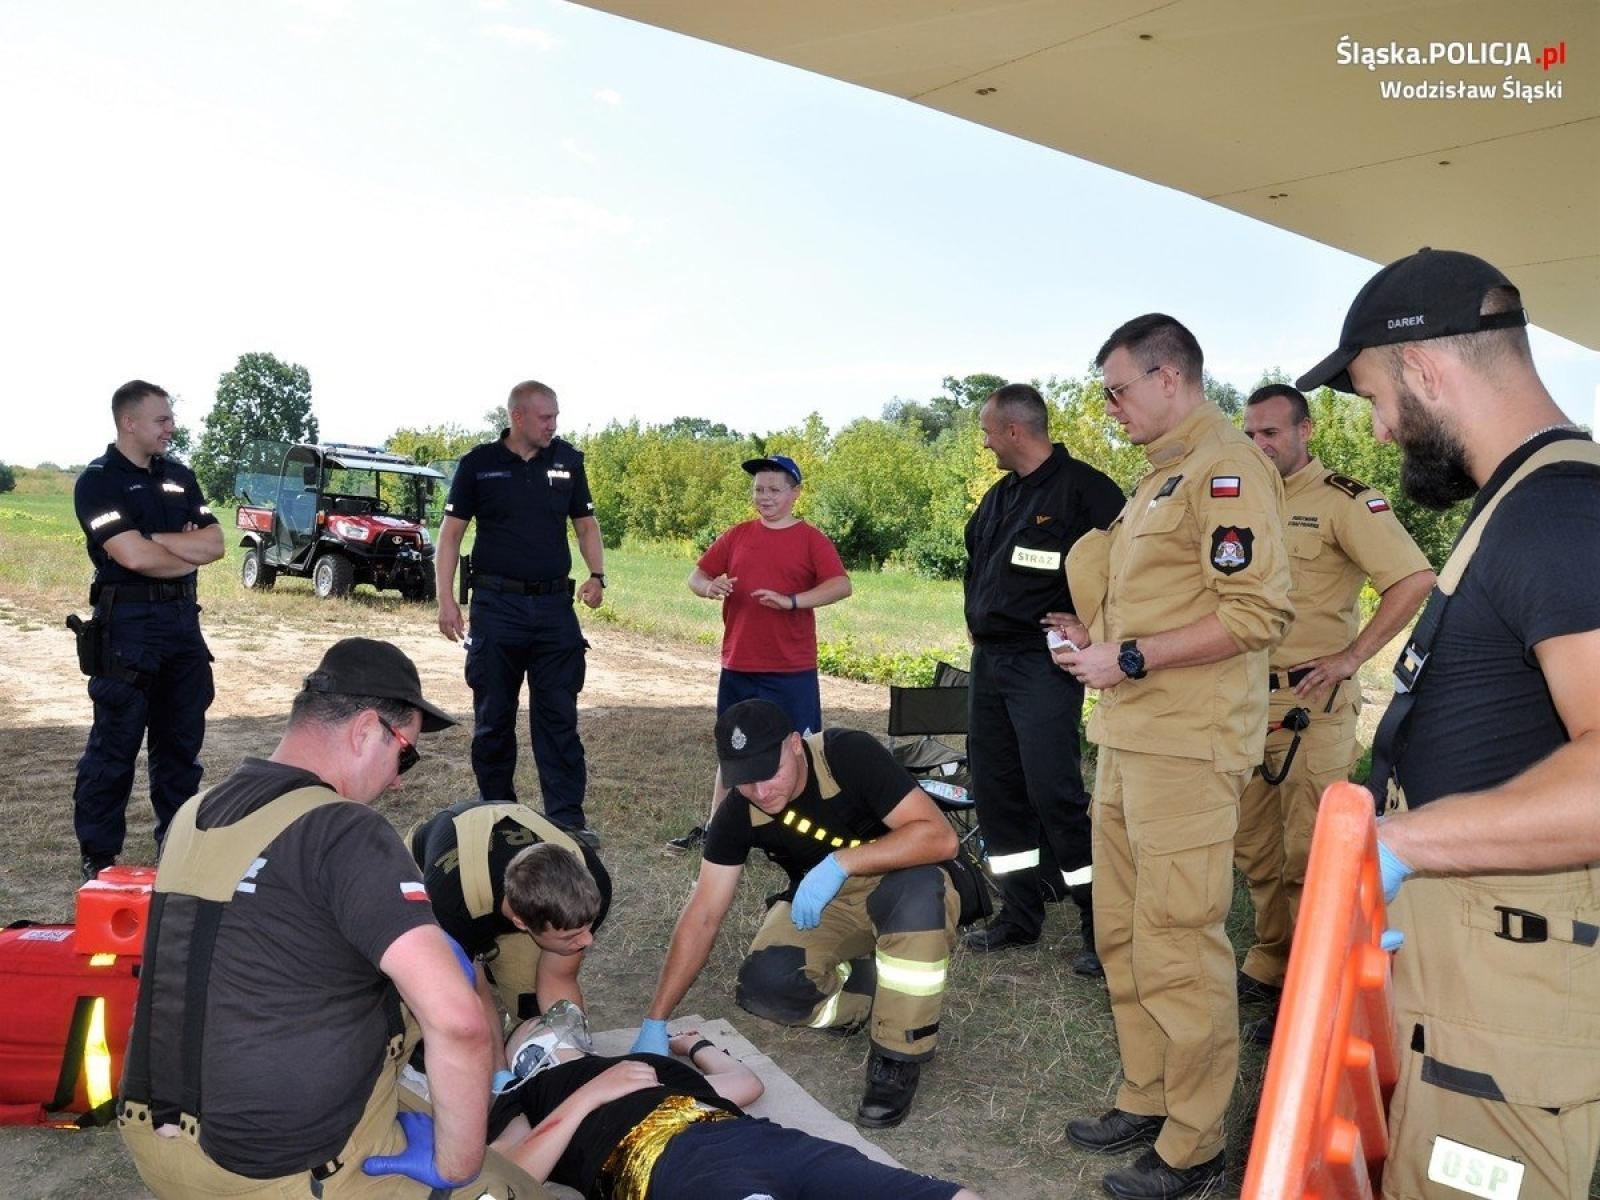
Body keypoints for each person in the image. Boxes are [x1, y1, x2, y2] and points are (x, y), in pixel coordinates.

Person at [1296, 248, 1600, 1200]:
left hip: (1506, 1007)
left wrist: (1402, 843)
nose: (1381, 428)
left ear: (1424, 369)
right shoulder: (1524, 502)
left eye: (1374, 397)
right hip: (1472, 969)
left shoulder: (1558, 515)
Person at [117, 637, 534, 1198]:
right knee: (514, 1188)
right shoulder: (345, 829)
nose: (399, 779)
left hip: (158, 1140)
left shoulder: (195, 811)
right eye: (405, 754)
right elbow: (459, 1023)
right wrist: (457, 1166)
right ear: (365, 730)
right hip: (286, 1164)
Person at [1051, 315, 1293, 1200]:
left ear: (1168, 376)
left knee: (1180, 943)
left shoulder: (1229, 470)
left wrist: (1131, 657)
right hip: (1130, 738)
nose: (1111, 408)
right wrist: (1093, 637)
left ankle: (1195, 1145)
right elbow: (1153, 603)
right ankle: (1147, 1094)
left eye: (1118, 390)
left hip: (1188, 748)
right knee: (1122, 932)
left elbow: (1256, 612)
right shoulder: (1158, 479)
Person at [632, 699, 962, 1129]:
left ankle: (898, 1055)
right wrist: (656, 1019)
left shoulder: (849, 754)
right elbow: (704, 913)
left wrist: (841, 862)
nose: (760, 792)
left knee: (916, 898)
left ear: (794, 745)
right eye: (745, 780)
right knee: (766, 987)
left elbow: (940, 838)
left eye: (769, 773)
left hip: (905, 880)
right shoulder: (740, 809)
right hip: (827, 901)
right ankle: (873, 991)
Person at [1232, 384, 1434, 1042]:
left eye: (1271, 433)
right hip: (1242, 699)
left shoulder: (1344, 500)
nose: (1259, 444)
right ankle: (1271, 960)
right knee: (1255, 847)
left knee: (1309, 854)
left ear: (1305, 431)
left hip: (1309, 705)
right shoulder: (1240, 498)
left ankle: (1307, 994)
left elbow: (1413, 579)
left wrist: (1353, 657)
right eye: (1250, 434)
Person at [958, 383, 1124, 973]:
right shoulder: (999, 497)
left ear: (1014, 431)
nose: (985, 442)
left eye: (988, 432)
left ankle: (1098, 926)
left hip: (1042, 663)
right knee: (996, 789)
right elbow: (976, 565)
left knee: (1055, 792)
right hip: (990, 662)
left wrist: (1093, 625)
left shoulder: (1087, 491)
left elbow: (1132, 572)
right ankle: (1019, 913)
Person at [489, 1021, 982, 1200]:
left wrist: (695, 1045)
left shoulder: (641, 1066)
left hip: (762, 1141)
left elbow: (745, 1084)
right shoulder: (527, 1095)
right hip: (662, 1161)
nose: (554, 1031)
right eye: (535, 1032)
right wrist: (588, 1096)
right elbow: (507, 1176)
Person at [435, 380, 606, 844]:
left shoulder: (568, 461)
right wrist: (446, 599)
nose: (553, 425)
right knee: (493, 717)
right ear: (518, 417)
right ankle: (498, 813)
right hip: (497, 607)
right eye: (545, 417)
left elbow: (586, 524)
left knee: (558, 716)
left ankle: (567, 820)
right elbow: (450, 535)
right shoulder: (479, 464)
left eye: (555, 416)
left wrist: (597, 575)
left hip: (554, 608)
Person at [71, 379, 223, 881]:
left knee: (181, 747)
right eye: (162, 420)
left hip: (182, 625)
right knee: (114, 747)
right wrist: (180, 549)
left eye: (171, 418)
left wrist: (154, 540)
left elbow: (215, 545)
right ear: (128, 422)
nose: (171, 428)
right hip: (128, 630)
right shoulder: (98, 482)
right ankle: (99, 858)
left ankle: (176, 851)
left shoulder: (179, 476)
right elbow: (131, 556)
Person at [666, 453, 852, 855]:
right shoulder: (738, 535)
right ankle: (718, 832)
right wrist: (708, 587)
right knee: (732, 748)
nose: (764, 497)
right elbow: (697, 575)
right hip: (739, 664)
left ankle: (807, 837)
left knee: (801, 750)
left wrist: (792, 601)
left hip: (790, 669)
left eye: (773, 490)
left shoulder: (811, 539)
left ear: (795, 493)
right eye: (758, 489)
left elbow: (841, 585)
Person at [411, 796, 612, 1023]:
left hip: (494, 887)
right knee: (443, 1014)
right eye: (571, 935)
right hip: (450, 877)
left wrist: (568, 1038)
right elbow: (475, 1000)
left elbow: (559, 978)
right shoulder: (452, 904)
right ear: (521, 922)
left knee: (533, 1010)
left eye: (586, 928)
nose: (588, 941)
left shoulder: (591, 883)